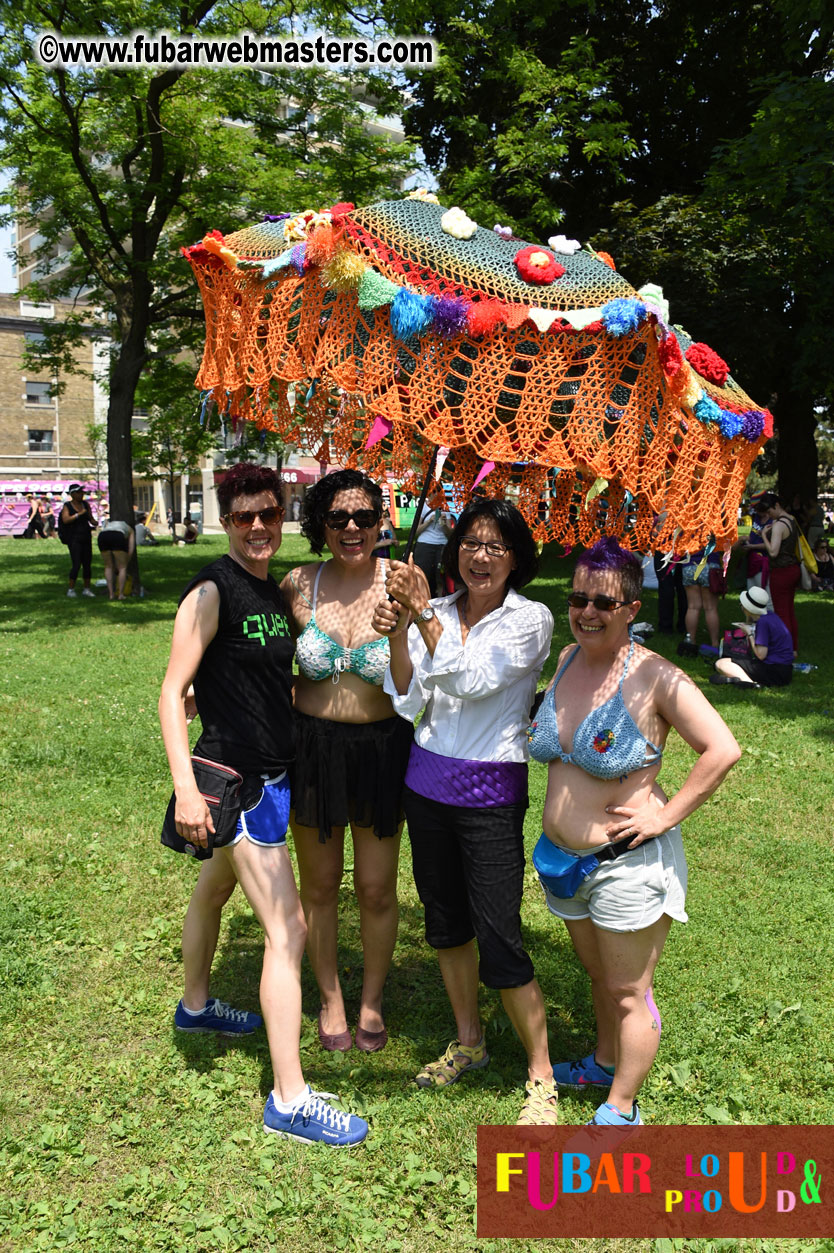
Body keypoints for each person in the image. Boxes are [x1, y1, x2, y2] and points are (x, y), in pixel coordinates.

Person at [158, 462, 367, 1146]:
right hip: (237, 781)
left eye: (268, 515)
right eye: (244, 515)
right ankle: (290, 1097)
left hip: (275, 774)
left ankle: (195, 1006)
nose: (257, 527)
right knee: (288, 930)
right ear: (226, 520)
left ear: (283, 516)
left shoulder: (272, 593)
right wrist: (187, 788)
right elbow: (169, 691)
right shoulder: (213, 589)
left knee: (215, 890)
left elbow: (263, 676)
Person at [528, 538, 740, 1126]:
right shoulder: (568, 659)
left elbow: (722, 749)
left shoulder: (655, 678)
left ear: (632, 609)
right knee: (599, 977)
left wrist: (663, 816)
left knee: (629, 992)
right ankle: (602, 1062)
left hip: (625, 864)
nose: (587, 611)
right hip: (564, 862)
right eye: (578, 598)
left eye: (604, 602)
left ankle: (621, 1108)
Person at [374, 498, 559, 1126]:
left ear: (515, 560)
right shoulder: (442, 613)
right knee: (446, 923)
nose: (480, 556)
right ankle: (469, 1040)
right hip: (426, 784)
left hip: (489, 792)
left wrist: (421, 611)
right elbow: (408, 695)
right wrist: (401, 628)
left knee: (499, 932)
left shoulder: (530, 620)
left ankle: (541, 1075)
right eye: (471, 543)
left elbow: (471, 679)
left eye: (495, 546)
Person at [280, 470, 413, 1054]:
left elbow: (419, 682)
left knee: (378, 888)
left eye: (363, 517)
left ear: (380, 521)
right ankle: (331, 998)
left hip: (383, 747)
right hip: (311, 748)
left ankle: (372, 1000)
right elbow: (263, 664)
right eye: (338, 518)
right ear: (320, 526)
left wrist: (404, 629)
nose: (352, 528)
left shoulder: (404, 580)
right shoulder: (296, 584)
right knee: (321, 885)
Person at [712, 586, 794, 687]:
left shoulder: (762, 623)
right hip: (785, 670)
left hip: (774, 671)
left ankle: (750, 684)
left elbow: (761, 655)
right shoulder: (770, 616)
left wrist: (749, 634)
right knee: (732, 660)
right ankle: (741, 680)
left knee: (721, 663)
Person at [757, 492, 800, 655]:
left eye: (769, 511)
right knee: (789, 610)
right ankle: (793, 648)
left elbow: (773, 552)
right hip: (793, 569)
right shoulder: (791, 520)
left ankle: (786, 649)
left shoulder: (778, 525)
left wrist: (763, 535)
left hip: (781, 572)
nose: (768, 515)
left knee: (782, 612)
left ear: (776, 505)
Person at [680, 546, 723, 648]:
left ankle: (691, 641)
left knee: (692, 607)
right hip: (709, 566)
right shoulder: (716, 529)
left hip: (689, 566)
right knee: (710, 608)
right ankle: (715, 643)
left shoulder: (687, 529)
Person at [412, 497, 454, 596]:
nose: (436, 494)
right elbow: (415, 531)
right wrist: (429, 521)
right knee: (422, 577)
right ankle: (422, 602)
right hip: (425, 545)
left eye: (439, 492)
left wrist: (443, 524)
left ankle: (441, 602)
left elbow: (449, 534)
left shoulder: (445, 508)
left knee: (441, 577)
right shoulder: (423, 507)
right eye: (434, 491)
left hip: (442, 545)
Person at [61, 484, 97, 598]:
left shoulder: (85, 505)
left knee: (87, 564)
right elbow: (65, 520)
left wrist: (94, 522)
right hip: (74, 538)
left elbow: (91, 518)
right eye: (79, 492)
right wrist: (78, 515)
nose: (81, 494)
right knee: (76, 564)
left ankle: (87, 589)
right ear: (72, 494)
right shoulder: (67, 506)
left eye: (82, 492)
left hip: (86, 537)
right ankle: (71, 589)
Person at [97, 517, 136, 600]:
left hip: (102, 536)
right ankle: (120, 594)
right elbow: (131, 548)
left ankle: (111, 594)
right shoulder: (130, 529)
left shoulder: (108, 526)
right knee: (122, 567)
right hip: (117, 536)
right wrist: (126, 561)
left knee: (108, 566)